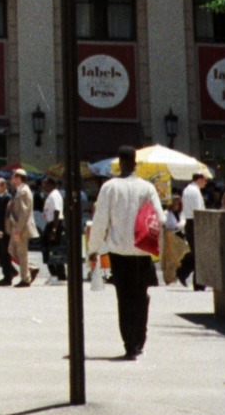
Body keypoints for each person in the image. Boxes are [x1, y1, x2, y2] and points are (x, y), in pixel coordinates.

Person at [88, 145, 165, 359]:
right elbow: (161, 218)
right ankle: (139, 340)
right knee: (141, 296)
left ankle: (129, 342)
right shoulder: (147, 188)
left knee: (124, 298)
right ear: (135, 164)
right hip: (141, 251)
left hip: (119, 252)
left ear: (119, 163)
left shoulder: (109, 187)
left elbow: (100, 221)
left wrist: (93, 250)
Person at [7, 169, 38, 287]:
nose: (11, 179)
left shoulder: (23, 192)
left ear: (18, 178)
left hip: (22, 228)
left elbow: (24, 213)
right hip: (18, 227)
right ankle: (31, 268)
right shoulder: (20, 190)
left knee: (21, 253)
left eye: (13, 177)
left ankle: (25, 279)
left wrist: (18, 230)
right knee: (12, 250)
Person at [176, 170, 208, 288]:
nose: (206, 183)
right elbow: (198, 210)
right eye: (205, 180)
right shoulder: (195, 191)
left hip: (190, 222)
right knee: (199, 254)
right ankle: (191, 278)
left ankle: (183, 272)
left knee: (196, 253)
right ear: (199, 179)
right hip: (195, 222)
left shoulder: (187, 189)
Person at [42, 178, 66, 283]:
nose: (43, 186)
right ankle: (55, 274)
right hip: (50, 223)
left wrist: (54, 229)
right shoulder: (51, 194)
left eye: (45, 184)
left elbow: (57, 211)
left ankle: (58, 275)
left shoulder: (55, 195)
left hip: (54, 224)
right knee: (50, 249)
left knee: (52, 250)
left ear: (51, 184)